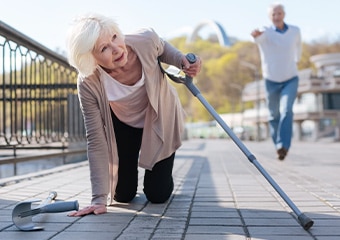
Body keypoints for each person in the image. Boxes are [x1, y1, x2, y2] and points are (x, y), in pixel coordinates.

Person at [66, 13, 201, 216]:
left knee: (157, 195)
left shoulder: (145, 40)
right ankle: (127, 178)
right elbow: (96, 139)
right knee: (122, 194)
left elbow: (162, 48)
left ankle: (162, 173)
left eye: (114, 37)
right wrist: (98, 199)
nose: (116, 48)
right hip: (123, 124)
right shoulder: (88, 82)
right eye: (103, 48)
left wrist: (181, 60)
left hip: (158, 118)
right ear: (91, 58)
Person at [251, 2, 301, 160]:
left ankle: (283, 145)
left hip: (290, 78)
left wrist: (296, 61)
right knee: (273, 115)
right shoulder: (265, 32)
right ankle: (278, 145)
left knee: (287, 110)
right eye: (273, 14)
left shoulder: (295, 31)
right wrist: (255, 35)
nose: (276, 16)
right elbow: (257, 39)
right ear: (269, 17)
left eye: (279, 13)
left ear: (284, 14)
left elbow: (298, 48)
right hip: (270, 79)